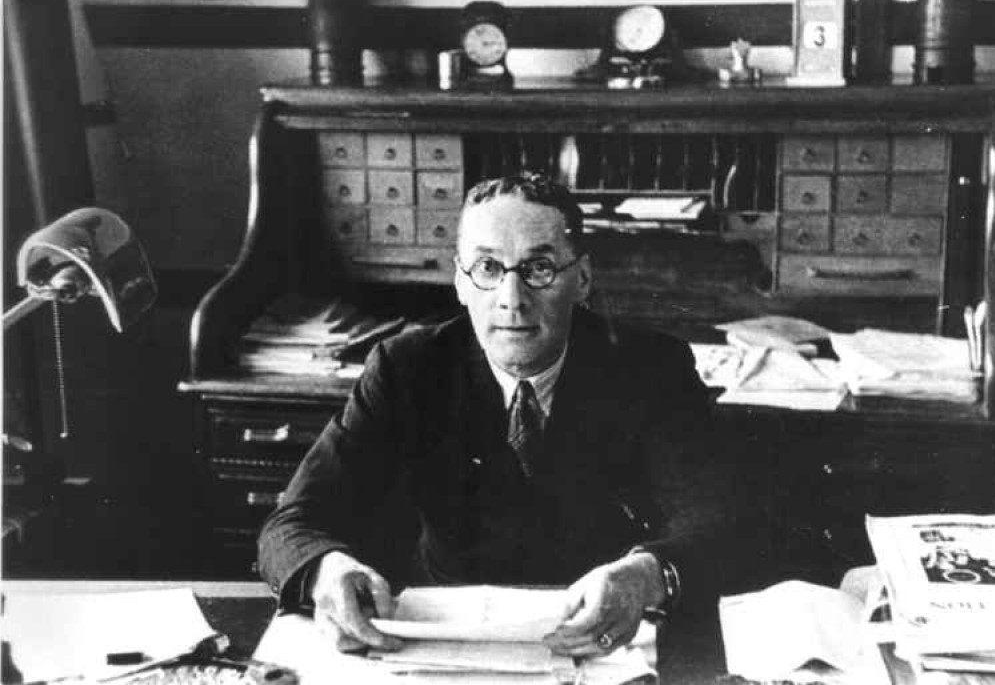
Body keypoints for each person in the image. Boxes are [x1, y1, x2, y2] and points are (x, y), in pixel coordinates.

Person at [257, 172, 734, 657]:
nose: (511, 298)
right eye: (488, 267)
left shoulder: (651, 368)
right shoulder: (406, 367)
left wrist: (647, 575)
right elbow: (292, 522)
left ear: (582, 279)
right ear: (460, 280)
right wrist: (325, 569)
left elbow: (721, 520)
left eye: (539, 267)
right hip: (441, 639)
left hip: (603, 641)